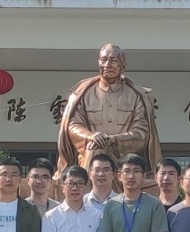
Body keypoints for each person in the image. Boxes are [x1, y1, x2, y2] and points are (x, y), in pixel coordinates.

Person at [57, 43, 163, 183]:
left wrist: (113, 141)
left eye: (113, 60)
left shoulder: (136, 96)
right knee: (95, 149)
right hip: (89, 158)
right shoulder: (83, 94)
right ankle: (89, 193)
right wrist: (91, 137)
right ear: (98, 62)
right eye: (103, 60)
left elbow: (142, 133)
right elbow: (73, 125)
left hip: (124, 161)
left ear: (123, 65)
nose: (107, 65)